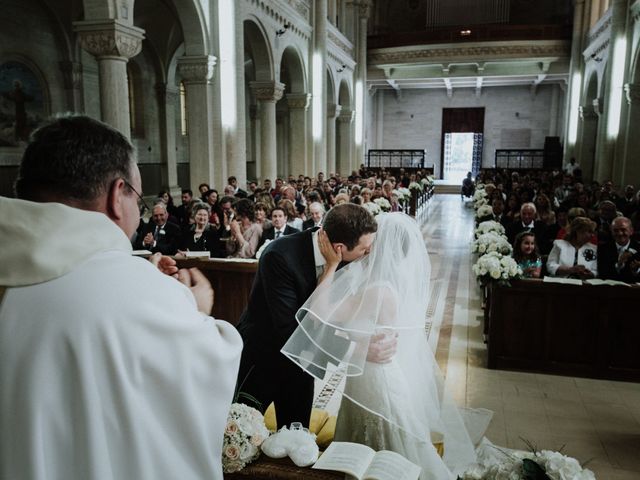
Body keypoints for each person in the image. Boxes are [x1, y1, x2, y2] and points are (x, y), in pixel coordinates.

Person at [0, 115, 242, 480]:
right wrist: (198, 311)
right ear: (117, 195)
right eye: (138, 198)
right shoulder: (145, 291)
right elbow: (206, 376)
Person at [282, 213, 478, 479]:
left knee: (384, 445)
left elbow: (322, 311)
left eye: (371, 244)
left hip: (375, 377)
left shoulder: (378, 289)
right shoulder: (375, 281)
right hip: (369, 368)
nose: (367, 248)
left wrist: (330, 266)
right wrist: (357, 339)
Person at [235, 204, 390, 430]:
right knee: (241, 431)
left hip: (304, 362)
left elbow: (339, 309)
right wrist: (355, 350)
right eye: (365, 248)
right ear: (339, 248)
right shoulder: (279, 256)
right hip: (263, 357)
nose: (369, 253)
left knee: (296, 436)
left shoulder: (348, 260)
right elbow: (290, 328)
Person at [597, 217, 640, 282]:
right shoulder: (602, 249)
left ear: (631, 231)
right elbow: (603, 275)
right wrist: (618, 264)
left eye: (623, 230)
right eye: (615, 230)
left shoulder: (639, 248)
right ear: (611, 232)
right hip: (610, 289)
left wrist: (636, 270)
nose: (620, 233)